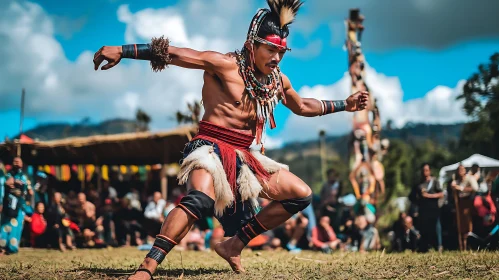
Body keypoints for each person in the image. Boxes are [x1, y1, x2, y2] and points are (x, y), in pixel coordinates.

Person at [93, 1, 368, 278]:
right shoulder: (223, 65)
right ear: (252, 45)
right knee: (199, 200)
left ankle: (234, 245)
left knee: (301, 195)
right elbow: (173, 53)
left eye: (281, 52)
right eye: (270, 49)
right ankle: (148, 267)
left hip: (245, 157)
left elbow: (303, 107)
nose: (276, 58)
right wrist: (122, 50)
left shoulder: (276, 81)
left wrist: (345, 103)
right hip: (209, 149)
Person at [0, 157, 33, 255]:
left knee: (16, 227)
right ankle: (2, 247)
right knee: (4, 226)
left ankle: (12, 248)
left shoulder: (24, 177)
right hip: (7, 204)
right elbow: (5, 185)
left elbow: (30, 192)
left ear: (22, 164)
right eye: (15, 161)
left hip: (19, 206)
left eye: (19, 161)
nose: (17, 162)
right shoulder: (7, 175)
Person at [415, 163, 444, 252]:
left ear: (430, 171)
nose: (425, 172)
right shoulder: (419, 184)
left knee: (436, 227)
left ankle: (439, 245)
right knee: (425, 229)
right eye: (423, 170)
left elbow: (441, 194)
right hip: (424, 210)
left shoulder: (434, 181)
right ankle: (426, 247)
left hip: (434, 209)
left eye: (426, 170)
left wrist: (429, 196)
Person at [451, 164, 478, 250]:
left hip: (469, 202)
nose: (460, 171)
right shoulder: (457, 181)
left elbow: (475, 188)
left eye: (462, 169)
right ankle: (462, 246)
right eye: (459, 170)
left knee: (468, 222)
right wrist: (454, 187)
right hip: (460, 203)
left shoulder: (470, 178)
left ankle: (469, 243)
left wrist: (461, 188)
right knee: (461, 224)